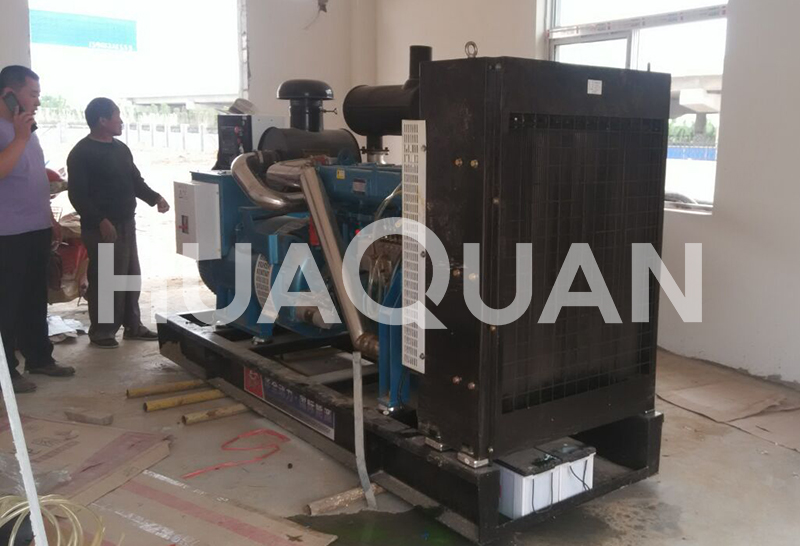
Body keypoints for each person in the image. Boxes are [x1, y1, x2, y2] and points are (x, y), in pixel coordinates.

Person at [67, 98, 170, 349]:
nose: (121, 121)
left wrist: (155, 198)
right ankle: (102, 332)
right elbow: (77, 195)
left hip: (126, 223)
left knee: (130, 275)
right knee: (106, 279)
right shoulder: (81, 153)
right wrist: (100, 220)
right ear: (102, 120)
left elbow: (134, 181)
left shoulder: (121, 149)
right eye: (117, 116)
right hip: (101, 228)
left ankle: (133, 326)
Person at [0, 66, 76, 393]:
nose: (38, 101)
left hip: (35, 229)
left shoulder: (27, 130)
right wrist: (19, 137)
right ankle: (6, 372)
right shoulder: (16, 132)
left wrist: (49, 218)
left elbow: (35, 179)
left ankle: (39, 357)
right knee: (7, 304)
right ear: (9, 94)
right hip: (7, 235)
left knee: (34, 298)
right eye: (33, 94)